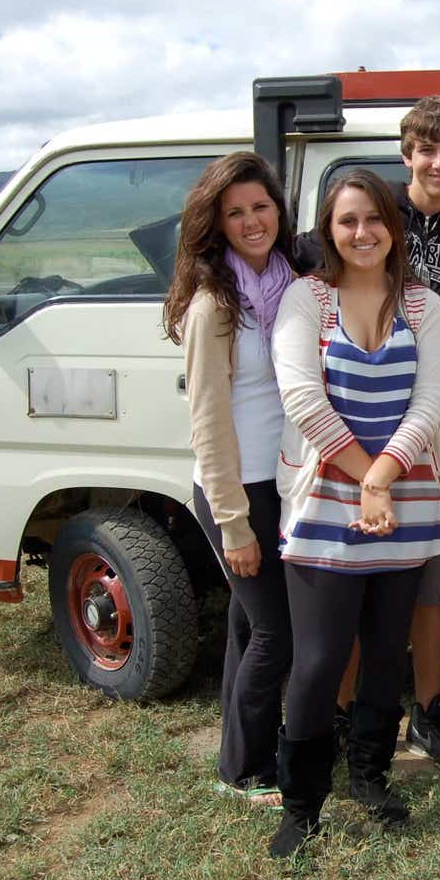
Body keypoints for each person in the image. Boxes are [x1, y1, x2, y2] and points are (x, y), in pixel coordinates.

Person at [293, 96, 440, 779]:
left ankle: (429, 711)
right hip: (349, 442)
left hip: (438, 437)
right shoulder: (367, 215)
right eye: (427, 148)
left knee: (432, 586)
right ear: (407, 155)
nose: (439, 161)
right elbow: (293, 272)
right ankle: (341, 714)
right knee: (349, 581)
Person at [267, 168, 440, 858]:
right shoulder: (305, 300)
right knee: (317, 662)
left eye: (374, 219)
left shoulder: (422, 305)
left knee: (383, 653)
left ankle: (370, 779)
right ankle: (300, 804)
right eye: (347, 221)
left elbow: (430, 400)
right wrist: (363, 480)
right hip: (325, 503)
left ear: (392, 226)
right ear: (328, 229)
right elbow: (302, 400)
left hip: (400, 499)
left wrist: (383, 478)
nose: (362, 232)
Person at [162, 151, 295, 809]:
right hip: (237, 488)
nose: (251, 221)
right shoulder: (215, 304)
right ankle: (249, 769)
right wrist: (233, 519)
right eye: (236, 211)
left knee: (249, 626)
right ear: (216, 223)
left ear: (279, 209)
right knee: (279, 631)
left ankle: (239, 755)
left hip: (283, 480)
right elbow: (208, 421)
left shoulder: (290, 280)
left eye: (260, 206)